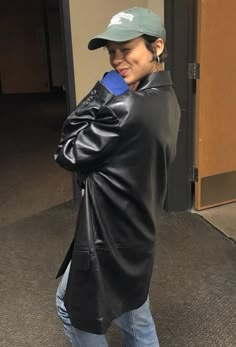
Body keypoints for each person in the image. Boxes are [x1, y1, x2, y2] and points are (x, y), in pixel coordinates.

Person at [55, 7, 180, 347]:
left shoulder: (127, 106)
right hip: (138, 231)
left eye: (126, 49)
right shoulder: (168, 100)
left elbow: (66, 151)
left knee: (73, 311)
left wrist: (103, 91)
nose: (116, 60)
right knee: (135, 315)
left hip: (108, 238)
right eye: (112, 52)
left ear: (157, 47)